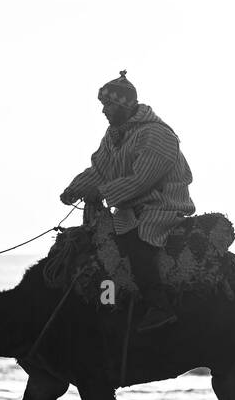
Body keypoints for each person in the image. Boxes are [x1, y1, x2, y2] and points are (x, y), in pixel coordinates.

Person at [60, 71, 195, 331]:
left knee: (136, 245)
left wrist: (101, 193)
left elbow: (141, 179)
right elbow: (99, 170)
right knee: (95, 252)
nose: (103, 111)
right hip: (127, 208)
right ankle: (107, 304)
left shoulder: (157, 135)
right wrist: (74, 189)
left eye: (108, 105)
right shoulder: (113, 137)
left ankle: (160, 307)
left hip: (161, 207)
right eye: (103, 105)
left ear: (124, 105)